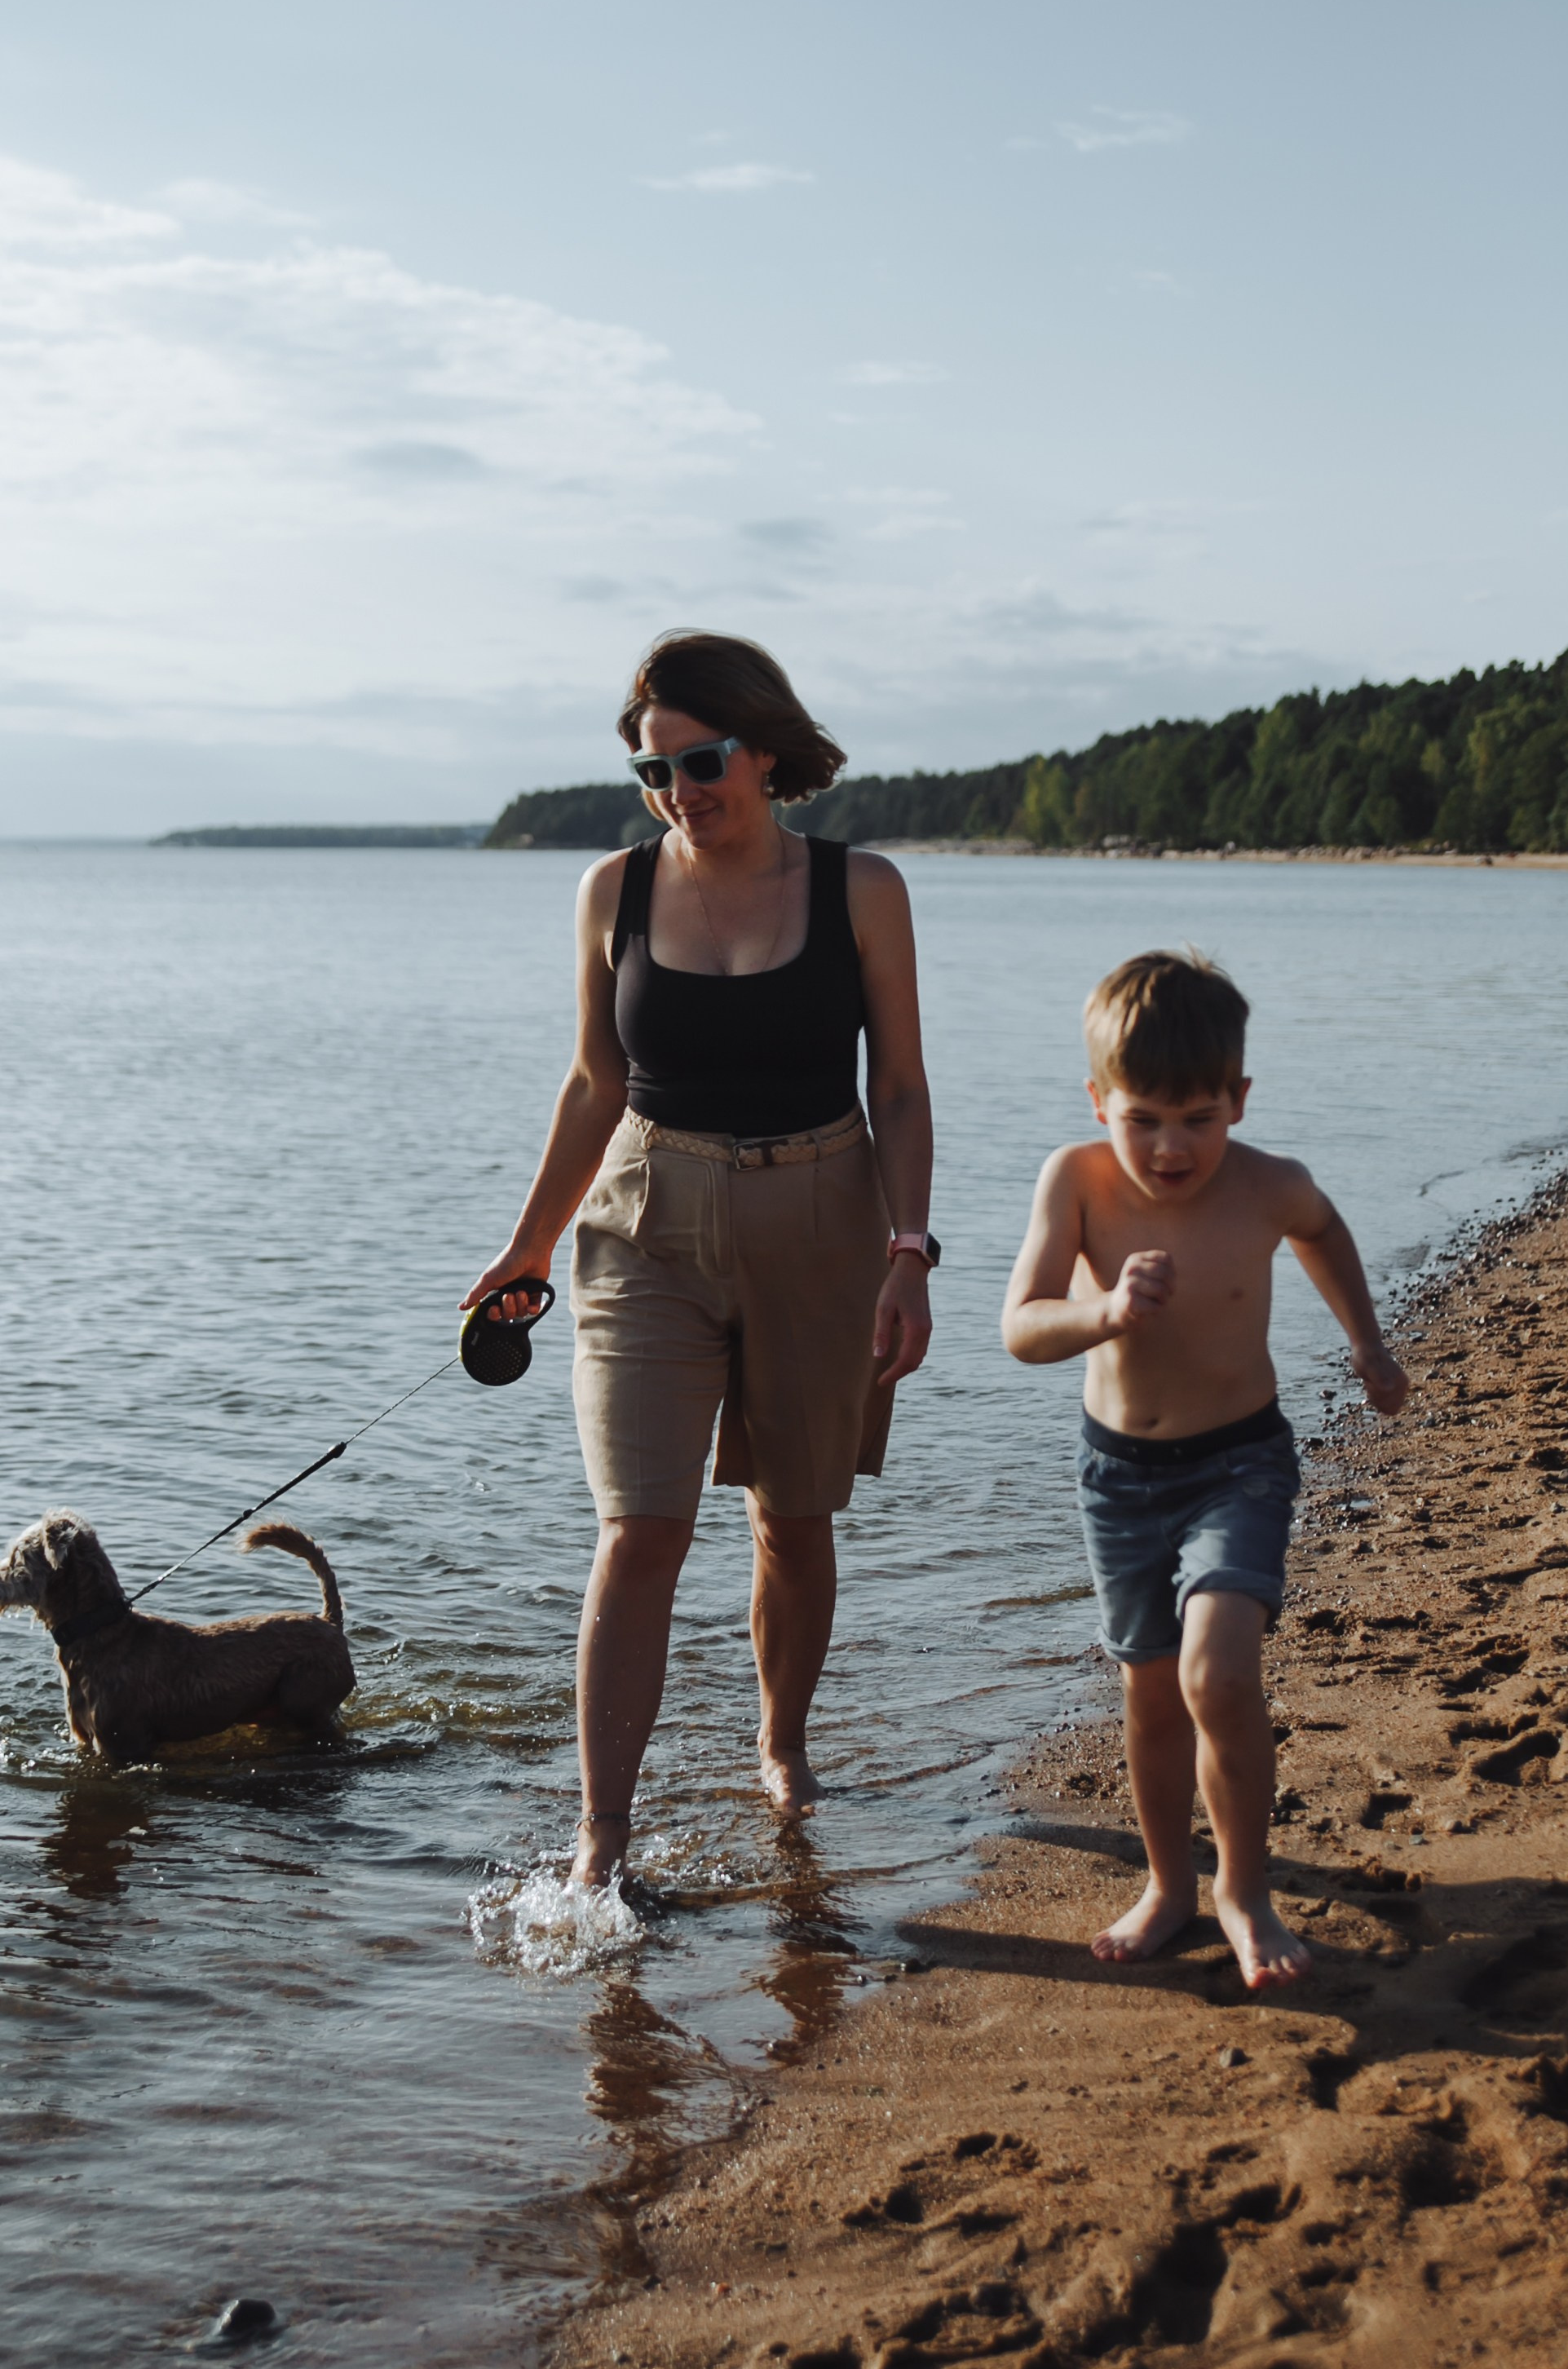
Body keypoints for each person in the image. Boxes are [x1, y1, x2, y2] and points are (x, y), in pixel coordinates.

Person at [465, 631, 935, 1886]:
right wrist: (529, 1240)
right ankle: (600, 1840)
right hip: (645, 1226)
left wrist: (909, 1252)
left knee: (793, 1517)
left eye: (702, 760)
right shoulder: (611, 891)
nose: (681, 792)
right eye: (654, 771)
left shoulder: (863, 890)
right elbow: (591, 1081)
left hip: (826, 1214)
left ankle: (780, 1746)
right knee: (640, 1530)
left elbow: (899, 1085)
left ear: (764, 749)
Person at [1000, 949, 1409, 1991]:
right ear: (1099, 1102)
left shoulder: (1270, 1184)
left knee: (1214, 1671)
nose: (1170, 1145)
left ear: (1237, 1097)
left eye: (1196, 1115)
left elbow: (1322, 1232)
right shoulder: (1076, 1181)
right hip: (1120, 1475)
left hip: (1239, 1461)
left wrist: (1364, 1342)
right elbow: (1021, 1326)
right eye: (1143, 1117)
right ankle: (1169, 1883)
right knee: (1148, 1693)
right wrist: (1101, 1311)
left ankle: (1243, 1888)